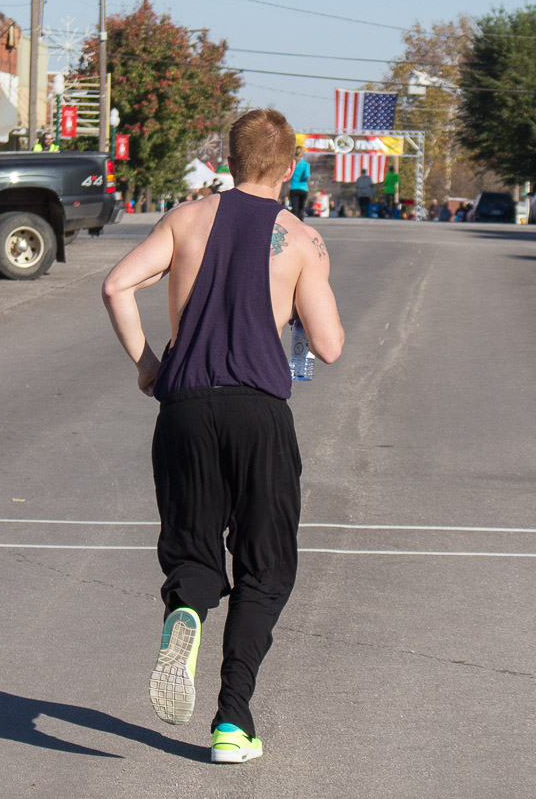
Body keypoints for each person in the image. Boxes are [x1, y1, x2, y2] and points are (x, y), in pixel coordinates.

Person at [101, 108, 344, 765]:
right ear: (290, 167)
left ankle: (186, 609)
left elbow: (117, 285)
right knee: (265, 566)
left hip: (184, 407)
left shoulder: (185, 219)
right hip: (258, 412)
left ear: (229, 161)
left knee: (193, 550)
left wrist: (148, 366)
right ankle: (232, 722)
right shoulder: (300, 239)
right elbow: (327, 346)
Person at [289, 146, 310, 219]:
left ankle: (294, 223)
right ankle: (300, 223)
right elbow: (307, 177)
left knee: (295, 209)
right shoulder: (306, 164)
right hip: (303, 188)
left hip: (294, 187)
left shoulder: (292, 164)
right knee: (301, 209)